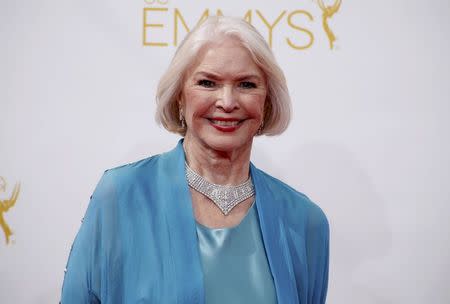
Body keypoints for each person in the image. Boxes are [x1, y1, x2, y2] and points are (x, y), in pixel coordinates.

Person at [61, 16, 329, 304]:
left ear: (266, 102)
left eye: (247, 85)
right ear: (179, 97)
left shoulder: (304, 221)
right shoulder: (122, 195)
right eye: (207, 83)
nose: (227, 102)